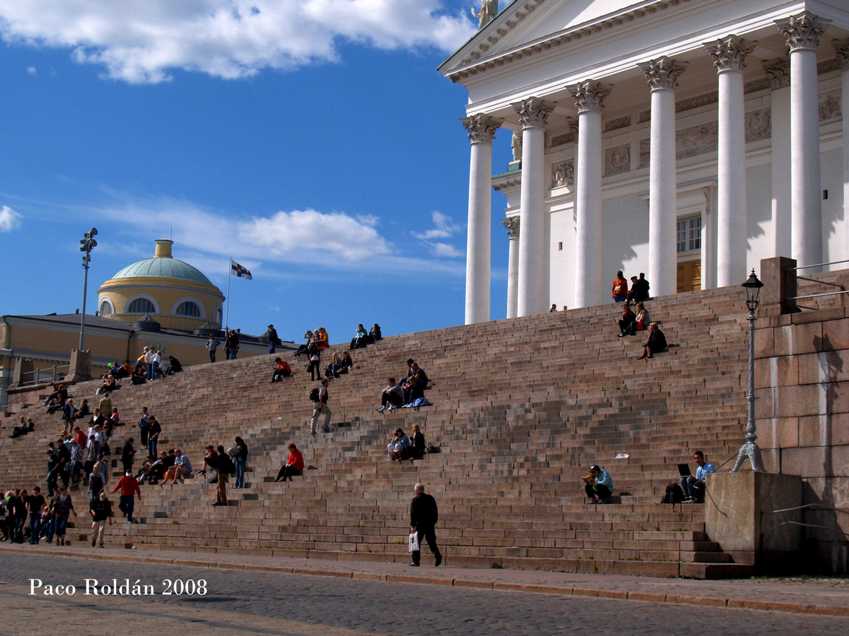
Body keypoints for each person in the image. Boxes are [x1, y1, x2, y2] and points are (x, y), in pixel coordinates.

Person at [409, 483, 442, 567]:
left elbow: (413, 514)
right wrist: (433, 522)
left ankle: (416, 561)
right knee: (431, 542)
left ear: (418, 490)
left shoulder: (415, 500)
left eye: (415, 490)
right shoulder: (430, 498)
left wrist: (412, 526)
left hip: (419, 526)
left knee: (416, 544)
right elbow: (435, 511)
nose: (415, 491)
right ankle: (438, 556)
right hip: (429, 525)